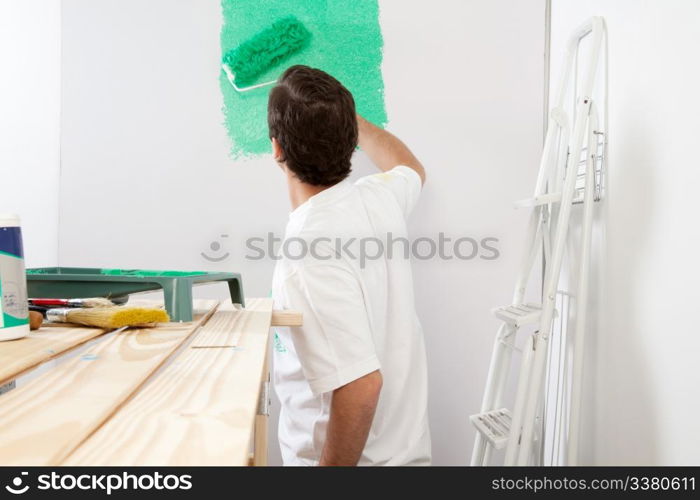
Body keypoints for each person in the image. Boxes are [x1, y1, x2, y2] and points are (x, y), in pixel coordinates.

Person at [269, 65, 430, 466]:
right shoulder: (378, 198)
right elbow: (411, 168)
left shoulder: (308, 251)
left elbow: (361, 387)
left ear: (277, 149)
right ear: (349, 140)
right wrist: (342, 120)